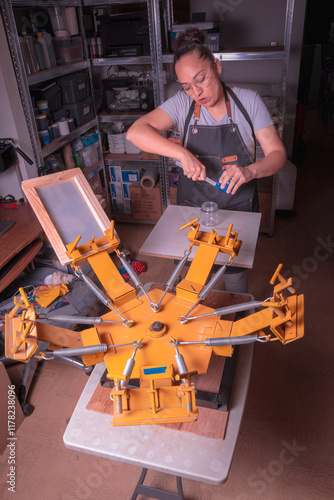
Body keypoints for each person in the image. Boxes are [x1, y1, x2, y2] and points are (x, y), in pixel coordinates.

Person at [126, 28, 287, 293]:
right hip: (194, 209)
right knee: (191, 275)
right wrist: (182, 153)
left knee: (234, 274)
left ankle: (235, 327)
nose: (196, 92)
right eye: (188, 87)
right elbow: (136, 132)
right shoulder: (181, 105)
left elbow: (278, 155)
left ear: (216, 67)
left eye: (201, 80)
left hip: (238, 207)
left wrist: (250, 171)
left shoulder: (248, 102)